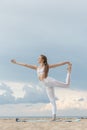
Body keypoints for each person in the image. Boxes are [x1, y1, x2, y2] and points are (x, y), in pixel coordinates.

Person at [11, 54, 72, 121]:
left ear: (42, 59)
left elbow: (57, 64)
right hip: (46, 85)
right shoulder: (37, 67)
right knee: (52, 101)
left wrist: (66, 62)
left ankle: (69, 71)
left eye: (39, 58)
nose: (38, 59)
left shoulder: (47, 66)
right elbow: (26, 65)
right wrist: (16, 62)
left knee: (67, 85)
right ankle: (54, 117)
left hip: (50, 81)